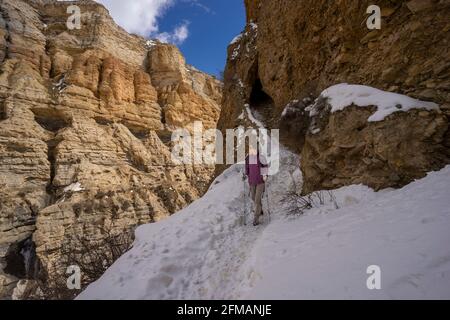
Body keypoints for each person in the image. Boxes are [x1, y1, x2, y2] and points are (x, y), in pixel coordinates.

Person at [244, 146, 269, 226]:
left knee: (257, 199)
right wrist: (247, 175)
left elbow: (265, 167)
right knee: (253, 198)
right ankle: (260, 209)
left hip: (260, 181)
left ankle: (256, 218)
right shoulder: (248, 158)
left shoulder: (261, 157)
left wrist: (265, 176)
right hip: (252, 181)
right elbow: (247, 169)